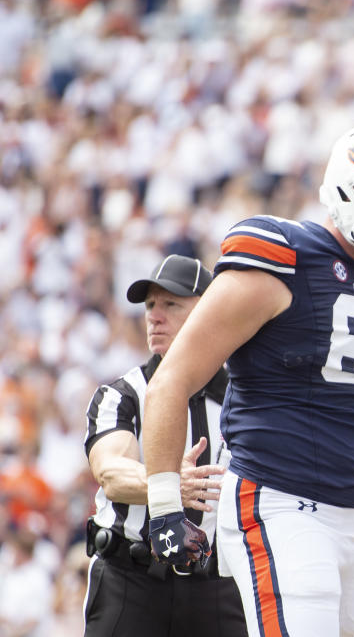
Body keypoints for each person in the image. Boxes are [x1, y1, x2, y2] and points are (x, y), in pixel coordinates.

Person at [141, 121, 354, 637]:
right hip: (278, 501)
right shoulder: (282, 258)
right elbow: (170, 380)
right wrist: (165, 506)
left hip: (346, 518)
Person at [83, 254, 246, 637]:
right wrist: (168, 484)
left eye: (171, 303)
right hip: (131, 579)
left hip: (219, 585)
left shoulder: (247, 402)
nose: (155, 315)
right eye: (151, 305)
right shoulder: (121, 394)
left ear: (209, 313)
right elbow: (111, 473)